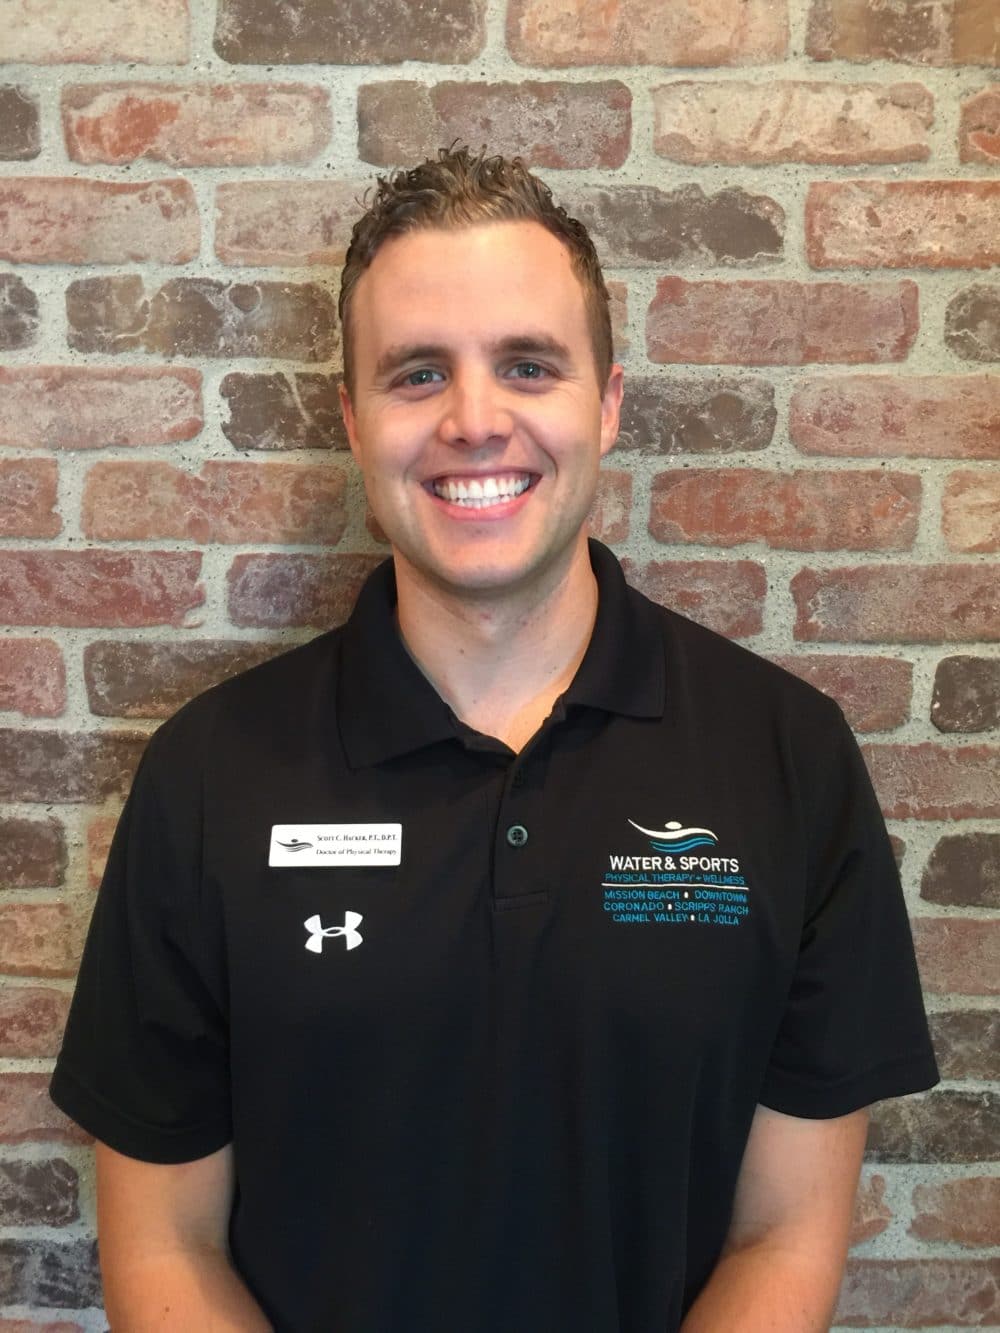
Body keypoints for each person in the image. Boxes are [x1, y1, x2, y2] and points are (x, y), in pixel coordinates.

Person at [51, 146, 939, 1332]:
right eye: (418, 373)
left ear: (607, 403)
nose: (475, 421)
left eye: (527, 364)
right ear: (352, 419)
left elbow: (783, 1232)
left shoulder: (786, 757)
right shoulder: (209, 774)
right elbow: (165, 1243)